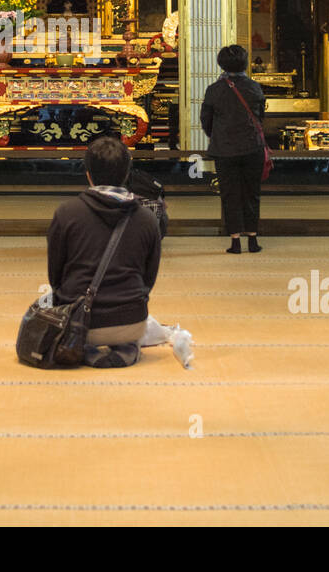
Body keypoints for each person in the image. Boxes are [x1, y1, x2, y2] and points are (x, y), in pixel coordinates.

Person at [45, 135, 192, 368]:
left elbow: (55, 275)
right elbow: (148, 279)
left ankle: (88, 348)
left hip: (77, 323)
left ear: (88, 174)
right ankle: (123, 347)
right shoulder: (147, 219)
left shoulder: (66, 213)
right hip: (131, 321)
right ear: (127, 175)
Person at [200, 44, 267, 254]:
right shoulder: (255, 87)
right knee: (251, 193)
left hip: (225, 149)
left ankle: (235, 241)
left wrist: (218, 135)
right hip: (252, 147)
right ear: (245, 63)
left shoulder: (214, 90)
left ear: (221, 63)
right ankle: (253, 239)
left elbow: (206, 121)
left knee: (230, 194)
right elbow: (260, 118)